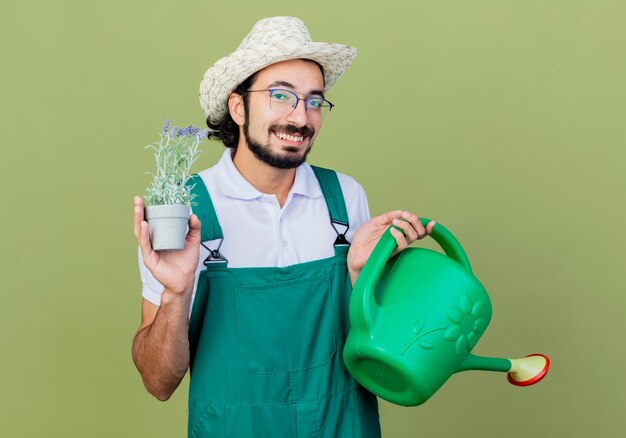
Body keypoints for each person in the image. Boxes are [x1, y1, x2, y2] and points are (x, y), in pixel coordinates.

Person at [132, 16, 435, 437]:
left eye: (314, 101)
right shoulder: (184, 211)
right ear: (238, 107)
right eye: (281, 96)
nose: (300, 117)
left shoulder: (345, 200)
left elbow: (377, 353)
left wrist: (360, 278)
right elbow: (157, 382)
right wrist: (176, 293)